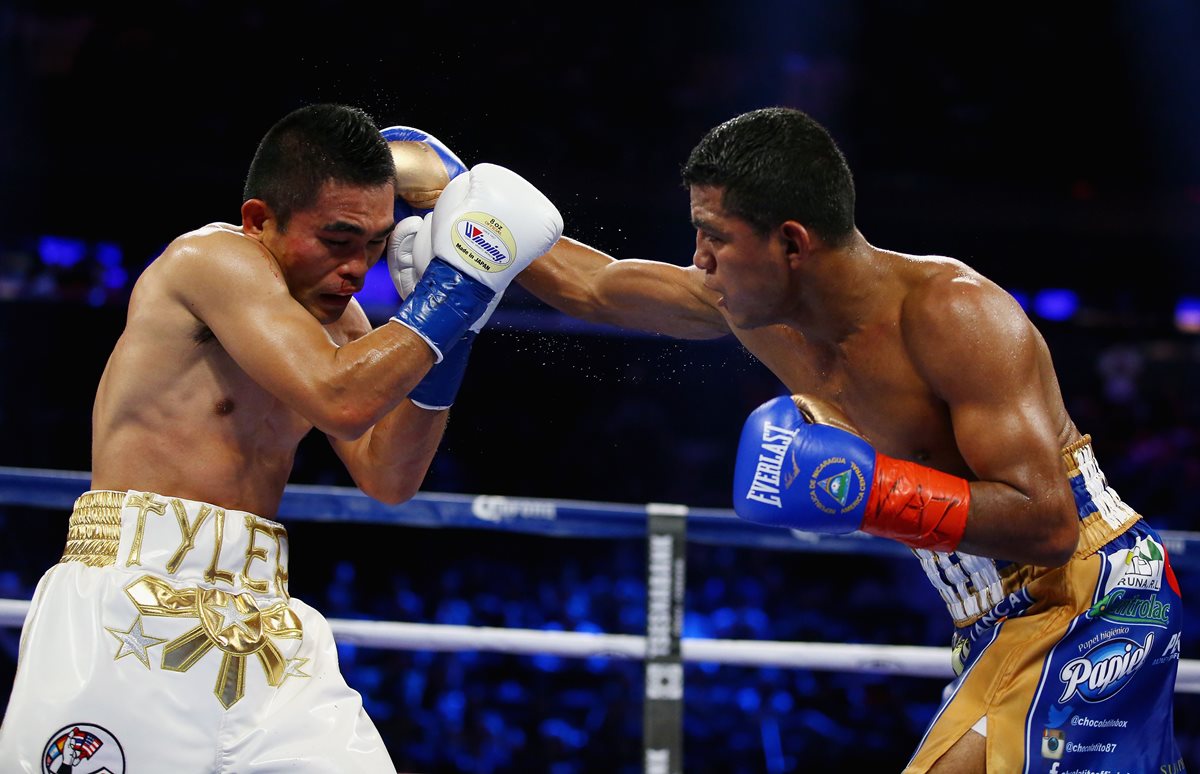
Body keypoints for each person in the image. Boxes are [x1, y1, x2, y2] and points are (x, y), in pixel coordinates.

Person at [509, 107, 1185, 772]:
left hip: (1090, 596)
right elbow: (596, 286)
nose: (699, 260)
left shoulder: (954, 314)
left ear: (791, 243)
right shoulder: (752, 308)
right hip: (985, 614)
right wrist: (474, 214)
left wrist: (872, 493)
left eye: (715, 237)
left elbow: (1049, 524)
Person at [0, 103, 563, 772]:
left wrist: (453, 334)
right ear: (259, 220)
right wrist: (455, 286)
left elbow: (389, 476)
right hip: (132, 597)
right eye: (337, 239)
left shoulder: (341, 324)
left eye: (374, 243)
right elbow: (340, 398)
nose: (357, 269)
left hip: (263, 621)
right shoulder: (210, 260)